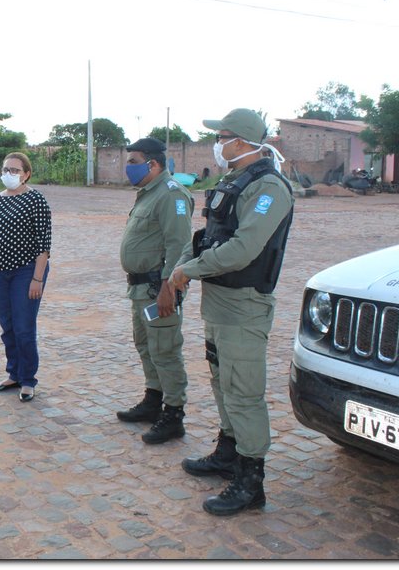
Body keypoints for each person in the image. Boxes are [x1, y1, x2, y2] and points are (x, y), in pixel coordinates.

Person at [169, 108, 294, 516]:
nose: (216, 144)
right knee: (224, 384)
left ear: (240, 141)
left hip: (244, 305)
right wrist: (184, 262)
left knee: (244, 393)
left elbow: (242, 249)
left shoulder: (269, 188)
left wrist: (189, 270)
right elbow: (209, 236)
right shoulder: (233, 181)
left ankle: (251, 480)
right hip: (219, 302)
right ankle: (227, 453)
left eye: (221, 137)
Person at [116, 138, 194, 444]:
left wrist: (169, 290)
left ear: (154, 164)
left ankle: (174, 414)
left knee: (165, 349)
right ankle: (153, 399)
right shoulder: (148, 193)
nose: (128, 167)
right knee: (146, 345)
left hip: (158, 287)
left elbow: (179, 246)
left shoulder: (171, 195)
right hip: (140, 288)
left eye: (134, 161)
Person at [0, 152, 51, 402]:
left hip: (26, 271)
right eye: (6, 169)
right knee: (7, 327)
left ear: (27, 174)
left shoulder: (36, 200)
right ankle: (13, 374)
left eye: (15, 170)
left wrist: (37, 279)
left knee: (24, 327)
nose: (9, 174)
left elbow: (44, 244)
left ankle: (28, 380)